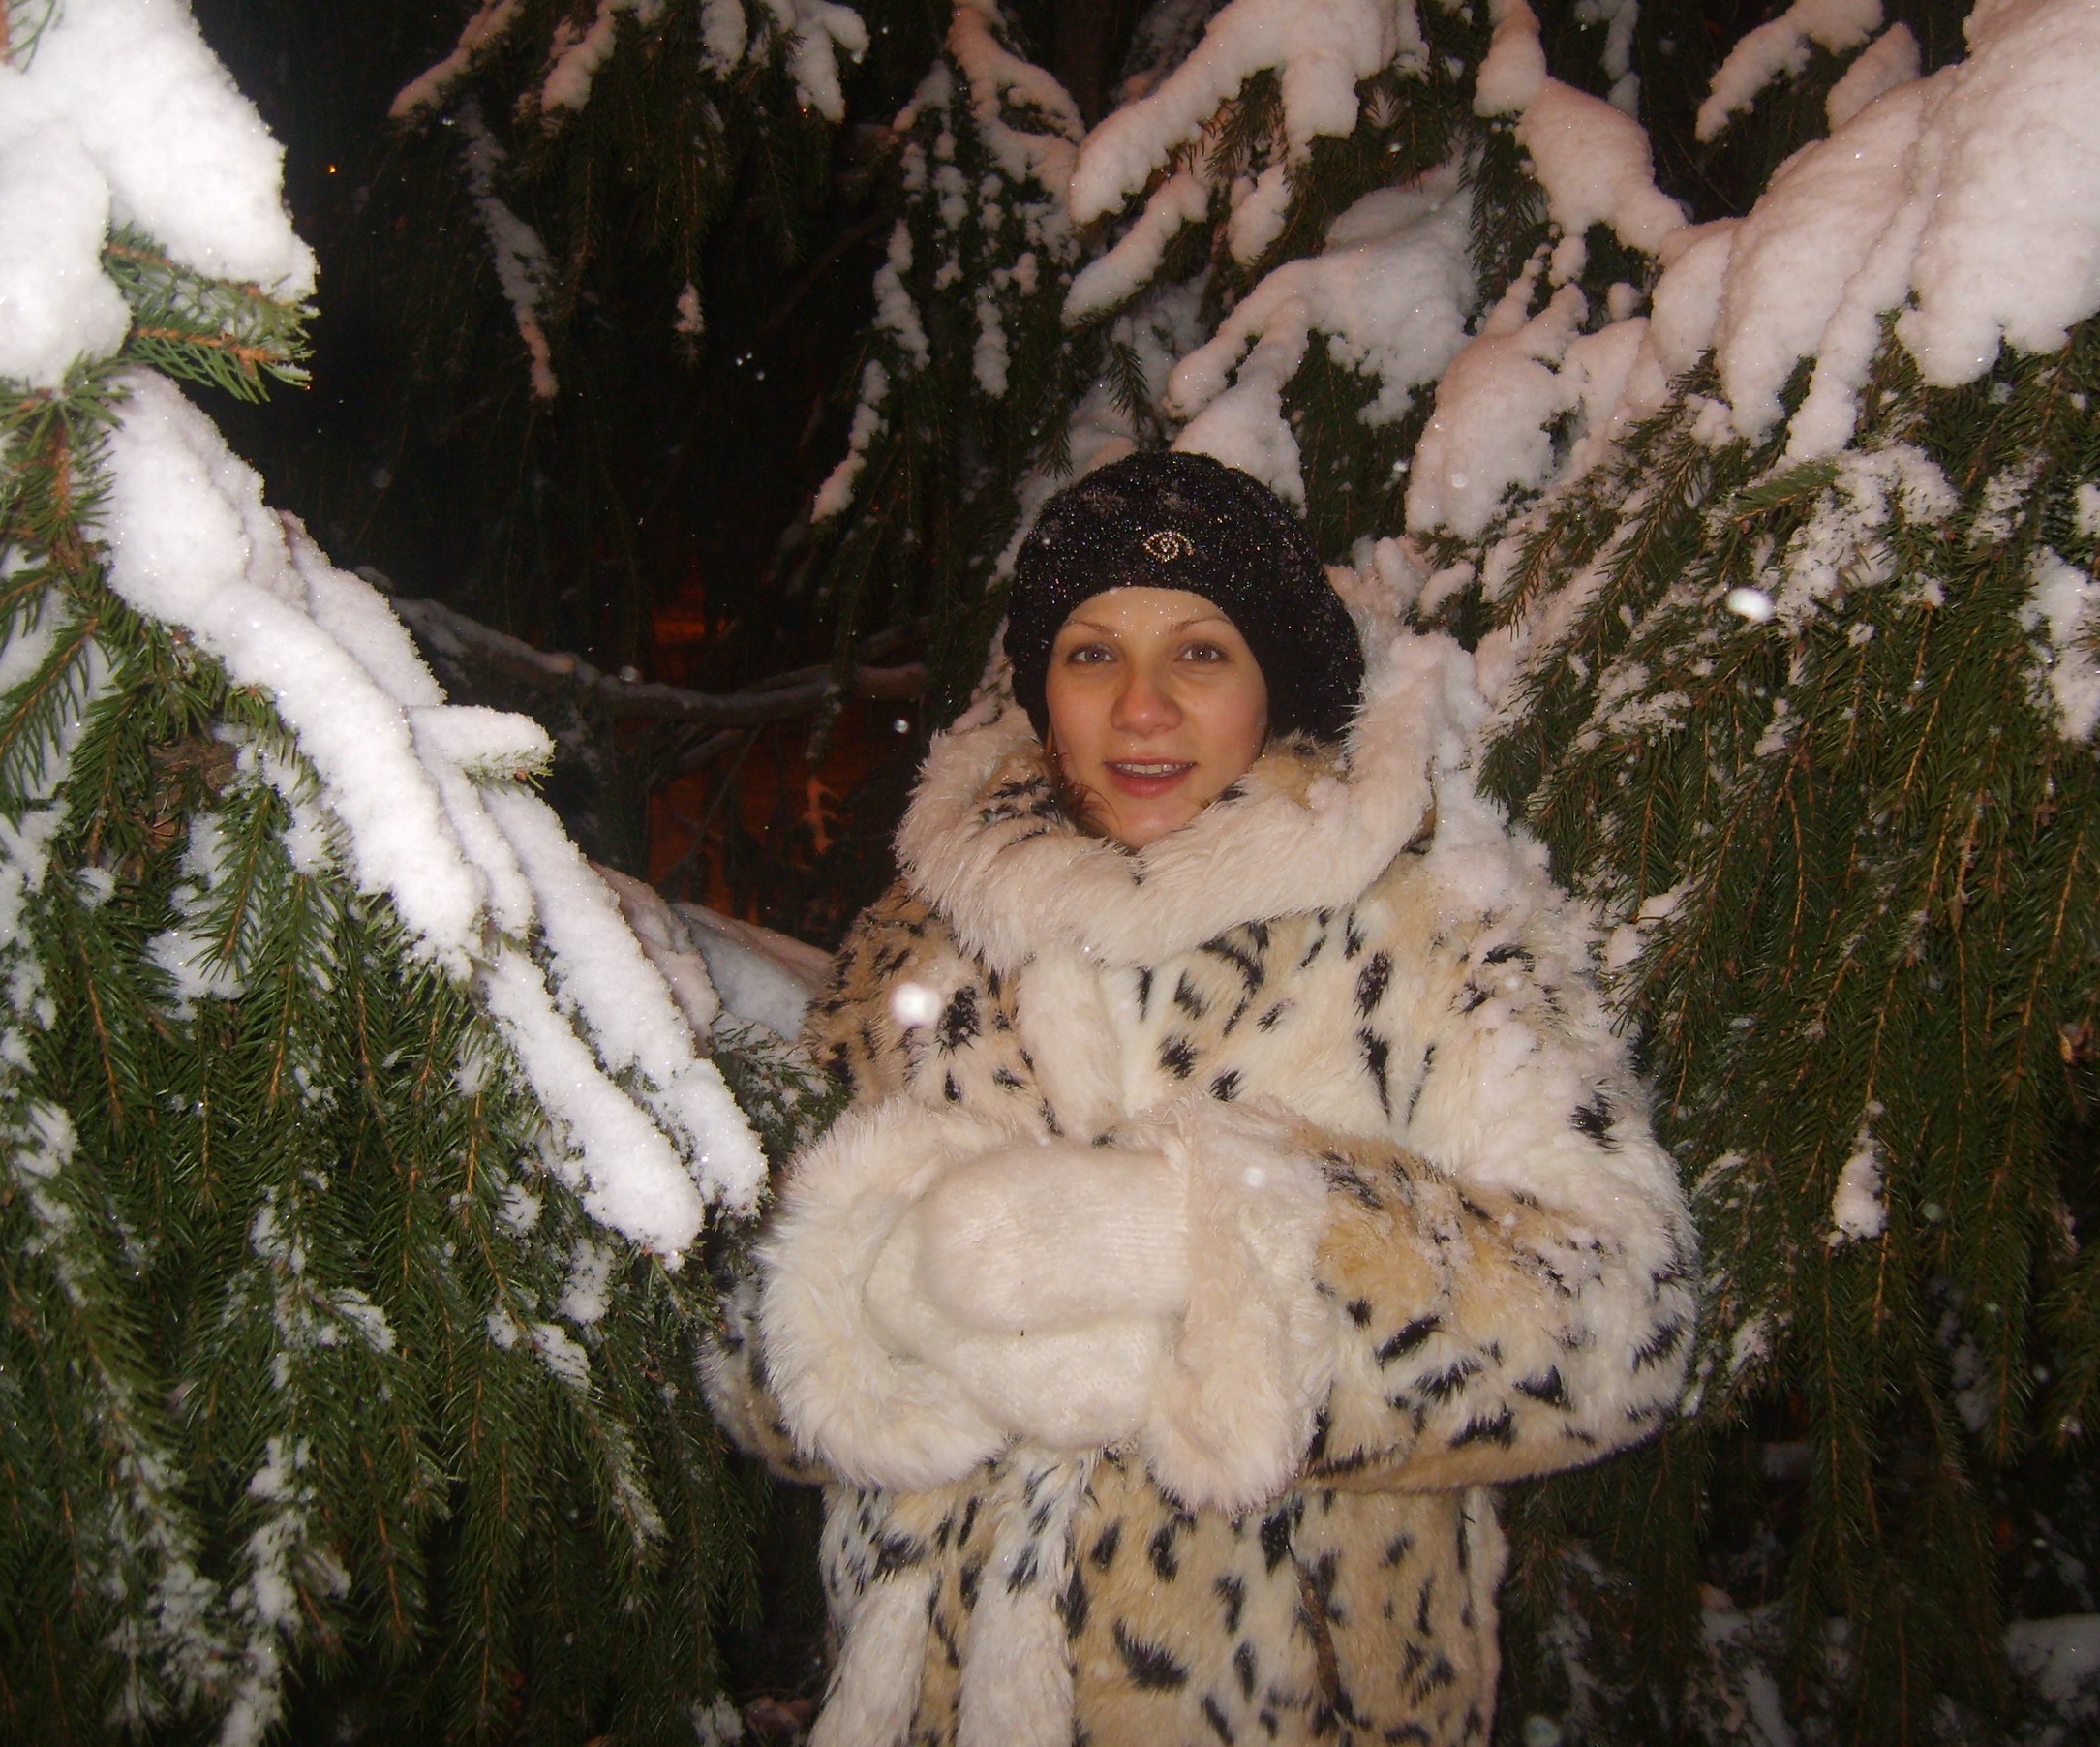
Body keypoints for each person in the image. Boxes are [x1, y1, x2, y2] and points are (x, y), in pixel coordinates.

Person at [701, 451, 1695, 1747]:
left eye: (1201, 654)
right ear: (1044, 686)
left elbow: (1623, 1327)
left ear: (1273, 679)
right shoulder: (922, 935)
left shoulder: (1425, 926)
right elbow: (736, 1350)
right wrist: (884, 1301)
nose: (1142, 708)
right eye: (1093, 653)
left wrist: (1216, 1255)